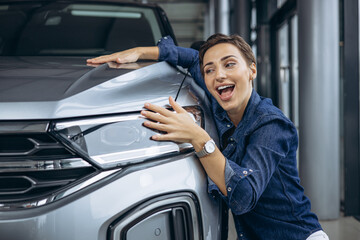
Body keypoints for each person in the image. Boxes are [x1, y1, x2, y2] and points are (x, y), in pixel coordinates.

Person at [87, 34, 329, 240]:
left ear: (252, 70)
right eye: (209, 70)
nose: (219, 75)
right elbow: (192, 58)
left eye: (230, 64)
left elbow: (244, 196)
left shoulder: (271, 124)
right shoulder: (220, 103)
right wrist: (141, 52)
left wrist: (198, 137)